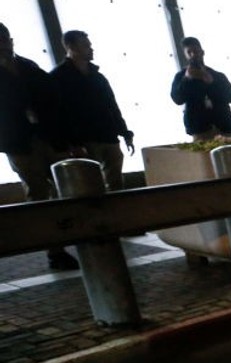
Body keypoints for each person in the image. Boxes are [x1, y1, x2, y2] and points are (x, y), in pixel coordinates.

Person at [0, 22, 78, 271]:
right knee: (38, 193)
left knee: (62, 188)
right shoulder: (26, 68)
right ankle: (55, 250)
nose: (4, 45)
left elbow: (54, 100)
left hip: (47, 137)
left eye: (5, 40)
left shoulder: (29, 67)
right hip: (20, 143)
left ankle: (64, 238)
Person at [51, 30, 133, 192]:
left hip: (107, 135)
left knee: (115, 181)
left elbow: (112, 106)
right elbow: (59, 114)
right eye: (85, 45)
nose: (91, 49)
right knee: (89, 184)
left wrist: (125, 132)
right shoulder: (59, 78)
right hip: (84, 139)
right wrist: (72, 143)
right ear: (71, 47)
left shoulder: (97, 77)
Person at [171, 37, 231, 142]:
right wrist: (186, 79)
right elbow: (177, 99)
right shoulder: (181, 77)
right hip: (200, 129)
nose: (193, 54)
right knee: (202, 153)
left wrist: (212, 83)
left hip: (225, 126)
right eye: (189, 52)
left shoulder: (217, 75)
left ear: (202, 52)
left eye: (195, 51)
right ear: (185, 55)